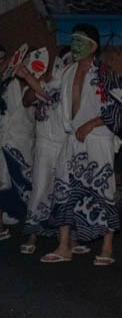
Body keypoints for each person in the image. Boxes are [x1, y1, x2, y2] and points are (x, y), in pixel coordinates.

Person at [42, 25, 122, 265]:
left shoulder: (106, 74)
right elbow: (46, 95)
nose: (74, 45)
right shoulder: (67, 72)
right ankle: (64, 245)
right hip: (72, 139)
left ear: (93, 47)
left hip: (98, 138)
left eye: (80, 41)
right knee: (63, 187)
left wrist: (91, 124)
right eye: (73, 40)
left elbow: (117, 111)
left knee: (104, 189)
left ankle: (107, 248)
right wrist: (27, 76)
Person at [18, 50, 71, 254]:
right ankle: (32, 235)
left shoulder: (67, 84)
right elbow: (27, 100)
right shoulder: (46, 81)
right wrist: (36, 80)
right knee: (40, 188)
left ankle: (67, 238)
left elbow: (49, 95)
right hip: (44, 143)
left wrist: (31, 79)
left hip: (64, 142)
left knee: (64, 191)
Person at [0, 63, 36, 238]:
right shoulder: (7, 85)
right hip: (5, 138)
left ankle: (30, 227)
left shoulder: (36, 86)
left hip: (24, 141)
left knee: (24, 183)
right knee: (1, 180)